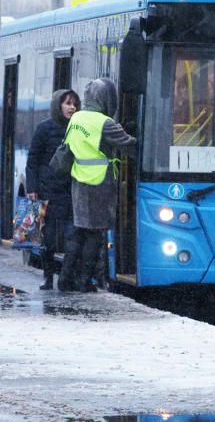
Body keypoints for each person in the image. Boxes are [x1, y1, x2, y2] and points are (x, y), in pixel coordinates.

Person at [63, 78, 136, 293]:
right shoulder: (104, 122)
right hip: (99, 183)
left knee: (79, 232)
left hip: (79, 180)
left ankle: (66, 278)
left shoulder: (76, 118)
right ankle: (86, 281)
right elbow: (128, 145)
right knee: (94, 235)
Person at [26, 89, 80, 290]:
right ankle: (48, 277)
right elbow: (33, 159)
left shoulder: (78, 128)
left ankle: (67, 278)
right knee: (47, 238)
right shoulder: (44, 128)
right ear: (58, 105)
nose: (72, 107)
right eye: (67, 103)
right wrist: (32, 187)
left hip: (71, 190)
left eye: (74, 103)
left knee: (71, 237)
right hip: (47, 191)